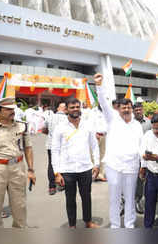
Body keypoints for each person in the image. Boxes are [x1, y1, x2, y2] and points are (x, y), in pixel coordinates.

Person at [94, 73, 143, 229]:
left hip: (131, 167)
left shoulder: (137, 125)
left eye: (129, 107)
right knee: (114, 198)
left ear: (132, 109)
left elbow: (141, 145)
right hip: (114, 166)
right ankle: (115, 225)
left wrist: (144, 164)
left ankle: (129, 224)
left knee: (130, 198)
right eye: (124, 107)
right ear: (119, 109)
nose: (127, 109)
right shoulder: (112, 119)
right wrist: (99, 85)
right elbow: (103, 102)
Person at [0, 97, 36, 228]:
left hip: (17, 167)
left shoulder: (22, 125)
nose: (13, 111)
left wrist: (31, 170)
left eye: (13, 108)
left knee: (20, 205)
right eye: (8, 109)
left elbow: (28, 148)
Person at [51, 98, 100, 228]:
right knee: (70, 199)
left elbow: (94, 145)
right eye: (72, 107)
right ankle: (72, 225)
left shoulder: (88, 124)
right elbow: (54, 151)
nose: (75, 109)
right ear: (66, 109)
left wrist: (97, 164)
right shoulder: (60, 128)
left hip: (85, 168)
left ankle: (88, 221)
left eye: (77, 107)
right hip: (67, 170)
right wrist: (57, 172)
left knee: (86, 197)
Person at [43, 101, 67, 195]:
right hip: (63, 145)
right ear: (66, 109)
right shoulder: (67, 119)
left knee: (51, 164)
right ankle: (62, 184)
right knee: (63, 164)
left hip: (50, 144)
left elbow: (44, 129)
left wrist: (50, 135)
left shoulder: (50, 117)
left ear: (57, 109)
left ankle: (52, 187)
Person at [133, 102, 151, 214]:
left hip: (146, 156)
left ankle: (140, 200)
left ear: (143, 110)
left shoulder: (149, 123)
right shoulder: (130, 123)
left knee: (143, 179)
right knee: (133, 180)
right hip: (133, 155)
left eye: (140, 109)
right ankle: (131, 200)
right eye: (136, 110)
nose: (138, 111)